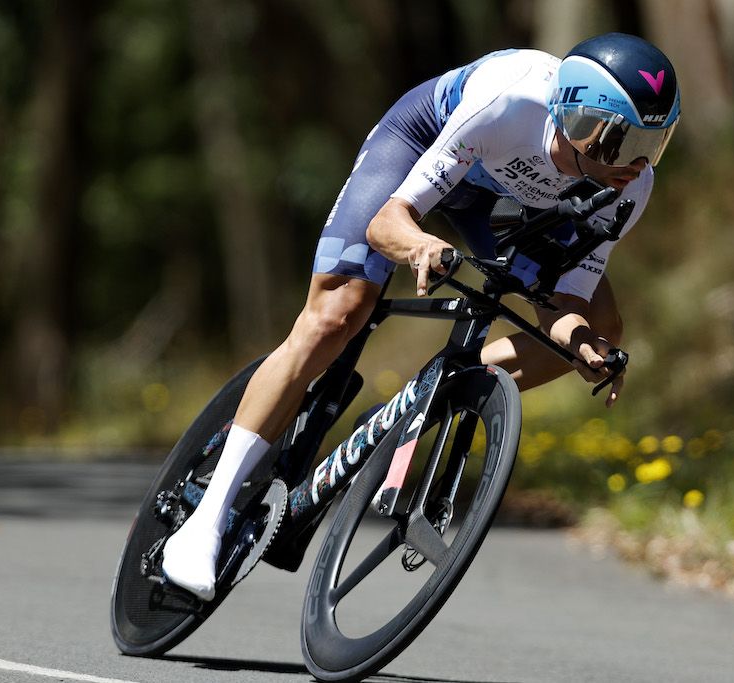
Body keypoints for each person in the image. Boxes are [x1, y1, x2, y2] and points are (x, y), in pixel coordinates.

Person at [162, 32, 681, 600]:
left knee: (603, 330)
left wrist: (585, 346)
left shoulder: (629, 188)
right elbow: (390, 222)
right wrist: (418, 247)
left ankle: (436, 390)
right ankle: (206, 520)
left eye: (653, 145)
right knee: (339, 312)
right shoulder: (509, 103)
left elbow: (566, 306)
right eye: (620, 140)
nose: (635, 164)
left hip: (513, 205)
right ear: (573, 116)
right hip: (425, 144)